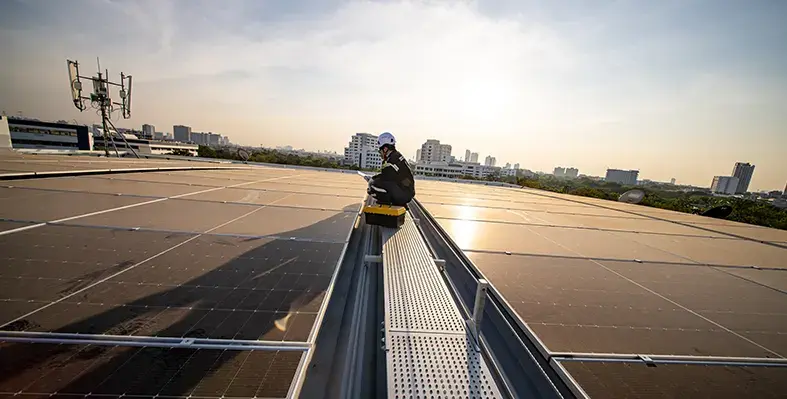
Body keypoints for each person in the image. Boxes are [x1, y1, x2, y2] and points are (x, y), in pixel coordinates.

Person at [367, 132, 415, 207]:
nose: (380, 153)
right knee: (377, 182)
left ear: (385, 149)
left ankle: (388, 202)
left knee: (373, 184)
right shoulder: (396, 156)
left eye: (380, 150)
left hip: (403, 195)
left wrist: (372, 179)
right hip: (407, 192)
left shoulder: (390, 161)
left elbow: (385, 178)